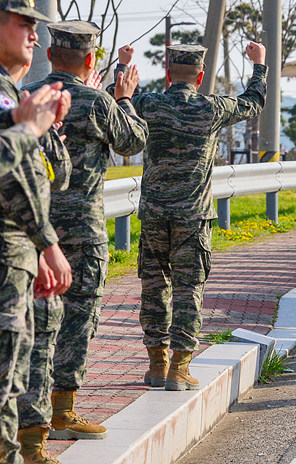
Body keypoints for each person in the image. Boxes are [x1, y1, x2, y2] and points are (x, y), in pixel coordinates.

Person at [22, 27, 148, 450]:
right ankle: (62, 410)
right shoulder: (98, 101)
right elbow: (133, 140)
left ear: (51, 53)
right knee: (77, 321)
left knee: (35, 325)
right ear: (92, 61)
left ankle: (31, 423)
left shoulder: (26, 95)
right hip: (83, 232)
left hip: (36, 230)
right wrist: (124, 97)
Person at [133, 42, 267, 391]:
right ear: (201, 74)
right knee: (188, 289)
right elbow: (253, 103)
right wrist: (259, 65)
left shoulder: (149, 104)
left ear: (167, 72)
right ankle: (180, 368)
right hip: (192, 217)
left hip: (154, 216)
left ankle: (156, 365)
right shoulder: (211, 107)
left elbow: (121, 102)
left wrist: (123, 67)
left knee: (153, 287)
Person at [0, 0, 73, 464]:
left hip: (17, 253)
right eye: (22, 21)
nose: (33, 31)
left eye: (34, 24)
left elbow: (37, 176)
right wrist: (46, 243)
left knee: (9, 384)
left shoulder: (12, 93)